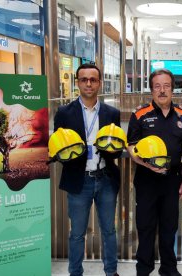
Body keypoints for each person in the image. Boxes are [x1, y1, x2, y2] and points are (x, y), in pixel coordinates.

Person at [54, 63, 121, 276]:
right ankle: (75, 272)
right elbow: (59, 149)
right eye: (84, 79)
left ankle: (111, 272)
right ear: (77, 83)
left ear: (100, 83)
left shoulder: (112, 113)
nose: (89, 84)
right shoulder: (64, 112)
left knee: (109, 231)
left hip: (106, 179)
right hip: (78, 180)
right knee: (77, 234)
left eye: (93, 79)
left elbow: (117, 150)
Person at [127, 69, 182, 276]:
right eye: (157, 86)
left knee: (169, 228)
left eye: (166, 86)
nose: (162, 90)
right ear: (151, 89)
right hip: (146, 181)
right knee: (145, 227)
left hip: (172, 181)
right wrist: (146, 165)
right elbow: (131, 147)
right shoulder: (139, 115)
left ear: (172, 88)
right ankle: (143, 269)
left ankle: (168, 269)